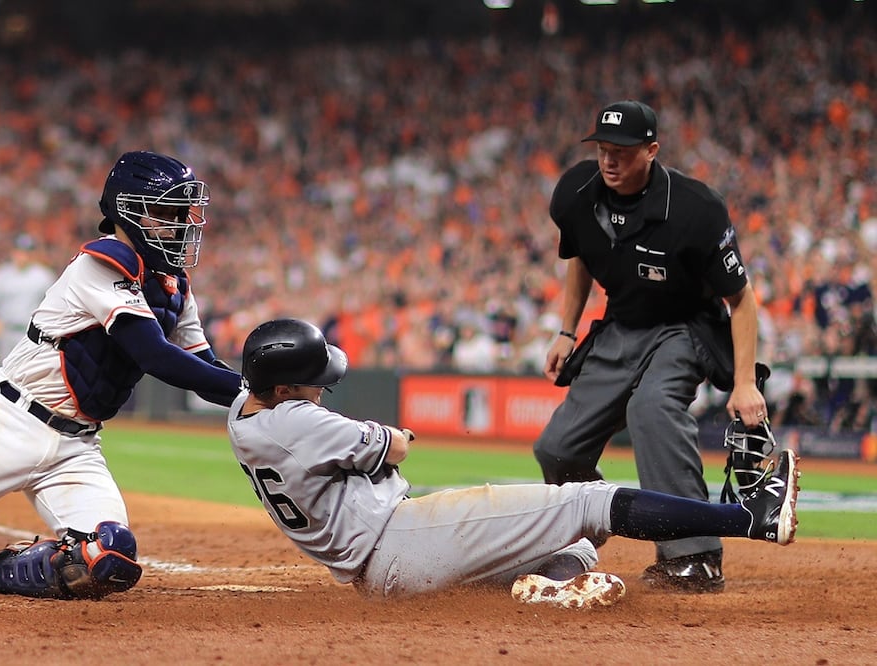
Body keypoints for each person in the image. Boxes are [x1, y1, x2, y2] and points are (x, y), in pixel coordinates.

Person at [0, 151, 243, 600]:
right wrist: (250, 390)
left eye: (181, 213)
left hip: (76, 445)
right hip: (10, 423)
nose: (177, 225)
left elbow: (204, 367)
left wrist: (266, 393)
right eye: (165, 213)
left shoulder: (173, 287)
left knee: (109, 555)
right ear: (128, 210)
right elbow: (155, 355)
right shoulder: (98, 265)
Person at [226, 318, 798, 608]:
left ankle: (548, 591)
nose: (323, 390)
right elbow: (396, 446)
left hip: (380, 569)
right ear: (281, 389)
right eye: (313, 383)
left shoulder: (242, 416)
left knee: (575, 548)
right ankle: (750, 518)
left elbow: (237, 386)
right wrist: (391, 436)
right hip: (400, 539)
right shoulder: (297, 421)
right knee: (586, 501)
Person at [533, 100, 767, 593]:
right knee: (556, 448)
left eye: (622, 150)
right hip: (621, 324)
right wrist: (565, 330)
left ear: (652, 150)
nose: (609, 160)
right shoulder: (576, 193)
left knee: (653, 409)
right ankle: (590, 528)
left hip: (684, 328)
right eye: (601, 148)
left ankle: (695, 556)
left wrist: (744, 384)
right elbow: (580, 256)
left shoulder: (696, 209)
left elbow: (741, 303)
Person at [0, 233, 57, 360]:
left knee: (29, 371)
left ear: (32, 254)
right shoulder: (1, 274)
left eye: (26, 252)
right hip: (5, 332)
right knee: (5, 370)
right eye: (19, 251)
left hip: (31, 332)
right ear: (13, 252)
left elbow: (54, 302)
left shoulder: (43, 275)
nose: (22, 256)